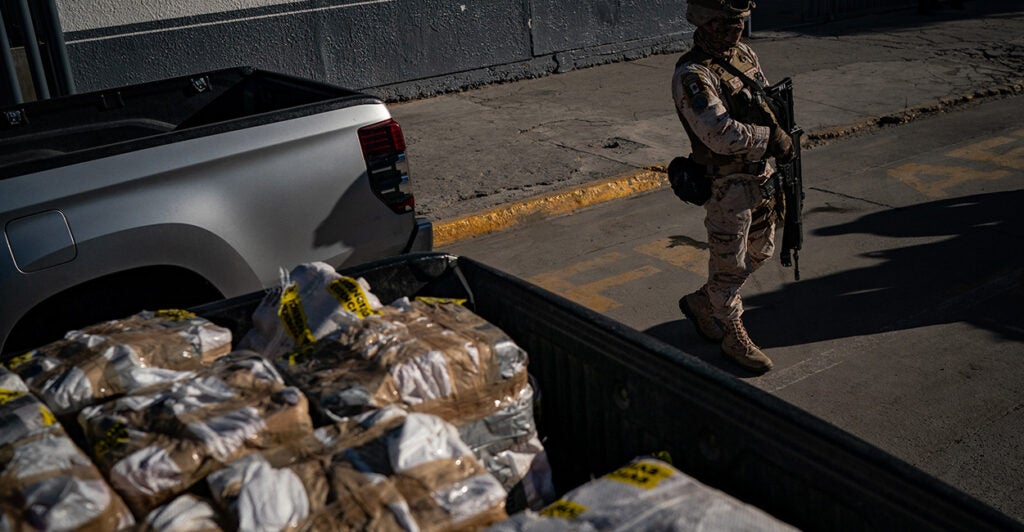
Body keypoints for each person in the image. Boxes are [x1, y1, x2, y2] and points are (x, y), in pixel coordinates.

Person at [671, 0, 795, 372]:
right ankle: (732, 333)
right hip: (727, 184)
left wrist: (779, 131)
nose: (736, 28)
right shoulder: (693, 75)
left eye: (740, 20)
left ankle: (703, 302)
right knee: (730, 262)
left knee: (762, 250)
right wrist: (770, 137)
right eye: (725, 22)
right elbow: (719, 133)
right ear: (705, 23)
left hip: (761, 175)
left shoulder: (743, 54)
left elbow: (764, 101)